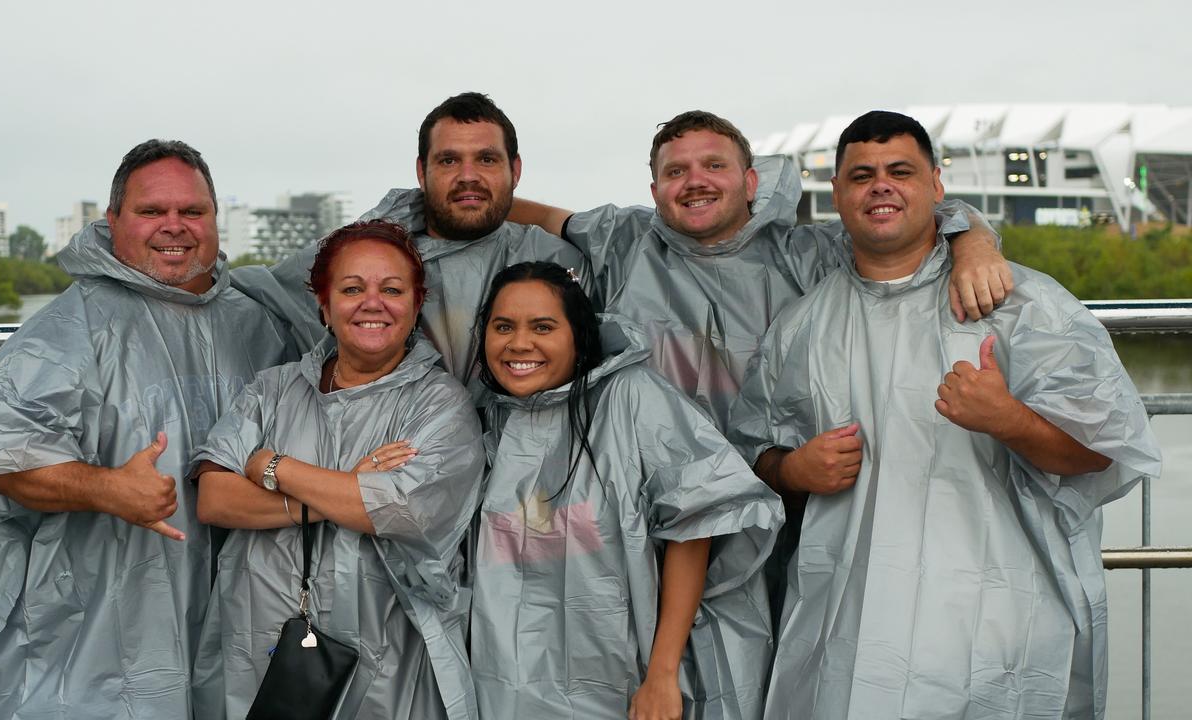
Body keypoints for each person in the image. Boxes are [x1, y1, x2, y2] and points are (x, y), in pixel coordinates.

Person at [730, 110, 1162, 719]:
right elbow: (750, 457)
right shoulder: (799, 329)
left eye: (900, 171)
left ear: (937, 185)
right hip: (851, 632)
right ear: (839, 196)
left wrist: (1010, 419)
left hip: (999, 628)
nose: (880, 185)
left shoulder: (1021, 306)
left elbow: (1104, 450)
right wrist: (794, 470)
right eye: (861, 175)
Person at [0, 140, 295, 718]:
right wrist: (106, 488)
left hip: (233, 617)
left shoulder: (255, 322)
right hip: (94, 632)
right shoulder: (72, 325)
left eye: (192, 211)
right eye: (151, 212)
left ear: (215, 220)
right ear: (113, 220)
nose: (175, 227)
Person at [509, 110, 1013, 431]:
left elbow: (904, 222)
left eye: (714, 166)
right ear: (655, 190)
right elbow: (539, 214)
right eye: (675, 171)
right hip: (658, 489)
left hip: (790, 484)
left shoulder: (807, 254)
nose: (695, 182)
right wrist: (434, 204)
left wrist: (974, 240)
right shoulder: (623, 240)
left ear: (751, 182)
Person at [192, 220, 485, 719]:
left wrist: (272, 465)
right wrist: (348, 485)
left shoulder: (440, 405)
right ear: (324, 306)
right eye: (352, 289)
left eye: (392, 289)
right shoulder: (274, 390)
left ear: (416, 305)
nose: (373, 303)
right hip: (259, 645)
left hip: (388, 660)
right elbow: (214, 499)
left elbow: (400, 509)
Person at [468, 262, 783, 720]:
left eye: (543, 327)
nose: (519, 343)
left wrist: (661, 674)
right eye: (503, 327)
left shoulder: (630, 397)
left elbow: (699, 520)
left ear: (578, 336)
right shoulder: (491, 419)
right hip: (506, 685)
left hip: (619, 682)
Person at [234, 92, 584, 379]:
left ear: (515, 169)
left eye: (486, 159)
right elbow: (251, 294)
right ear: (421, 171)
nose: (468, 175)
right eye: (448, 160)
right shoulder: (366, 254)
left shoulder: (556, 260)